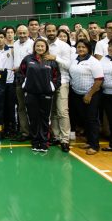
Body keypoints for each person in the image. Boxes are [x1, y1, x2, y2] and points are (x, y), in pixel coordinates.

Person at [20, 39, 61, 152]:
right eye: (38, 46)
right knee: (33, 118)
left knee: (44, 119)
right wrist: (24, 85)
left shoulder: (51, 61)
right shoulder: (28, 59)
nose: (40, 48)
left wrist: (52, 88)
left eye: (42, 46)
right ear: (34, 47)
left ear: (46, 47)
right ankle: (35, 141)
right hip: (31, 93)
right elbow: (21, 73)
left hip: (46, 94)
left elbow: (57, 77)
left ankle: (44, 142)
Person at [68, 40, 104, 155]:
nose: (81, 49)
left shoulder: (94, 62)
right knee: (84, 118)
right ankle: (89, 141)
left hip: (91, 94)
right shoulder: (74, 59)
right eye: (79, 47)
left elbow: (99, 80)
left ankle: (94, 145)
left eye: (83, 47)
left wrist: (89, 94)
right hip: (76, 93)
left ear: (88, 48)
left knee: (92, 119)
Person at [45, 24, 73, 153]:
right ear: (45, 32)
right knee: (53, 111)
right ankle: (56, 136)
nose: (50, 32)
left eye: (52, 30)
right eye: (48, 31)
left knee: (62, 111)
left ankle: (65, 139)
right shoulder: (43, 44)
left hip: (62, 81)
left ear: (57, 31)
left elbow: (68, 65)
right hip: (47, 82)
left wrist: (56, 58)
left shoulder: (64, 46)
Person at [0, 29, 15, 142]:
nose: (0, 39)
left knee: (10, 107)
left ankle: (10, 129)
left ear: (5, 38)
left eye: (2, 37)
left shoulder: (12, 50)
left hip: (9, 82)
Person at [12, 25, 34, 141]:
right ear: (16, 33)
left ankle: (35, 132)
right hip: (19, 79)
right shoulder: (15, 44)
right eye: (20, 33)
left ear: (28, 33)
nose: (22, 35)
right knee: (21, 106)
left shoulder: (33, 44)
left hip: (32, 79)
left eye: (24, 33)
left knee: (33, 106)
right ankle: (25, 132)